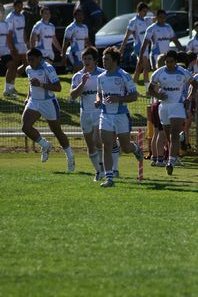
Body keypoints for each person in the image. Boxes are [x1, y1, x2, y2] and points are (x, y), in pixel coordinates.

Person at [70, 46, 120, 180]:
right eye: (84, 58)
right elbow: (73, 95)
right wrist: (82, 84)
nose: (86, 61)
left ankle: (111, 169)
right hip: (85, 114)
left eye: (89, 59)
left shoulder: (103, 74)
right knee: (90, 144)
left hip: (100, 112)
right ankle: (99, 171)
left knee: (98, 140)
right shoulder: (78, 76)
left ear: (95, 60)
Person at [96, 46, 143, 187]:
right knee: (107, 145)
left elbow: (134, 96)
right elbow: (99, 93)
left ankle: (134, 148)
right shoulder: (100, 77)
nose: (104, 62)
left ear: (115, 61)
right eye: (103, 59)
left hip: (121, 116)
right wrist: (98, 100)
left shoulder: (124, 75)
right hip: (105, 116)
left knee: (125, 147)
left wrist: (119, 99)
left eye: (107, 59)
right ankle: (109, 178)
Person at [22, 48, 75, 172]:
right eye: (28, 60)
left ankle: (70, 157)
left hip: (48, 103)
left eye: (32, 59)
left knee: (57, 131)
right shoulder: (28, 69)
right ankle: (45, 145)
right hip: (34, 102)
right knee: (25, 127)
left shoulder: (48, 68)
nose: (30, 62)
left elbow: (58, 87)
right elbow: (31, 85)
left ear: (39, 58)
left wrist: (40, 84)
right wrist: (28, 97)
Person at [148, 50, 197, 175]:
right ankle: (176, 148)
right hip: (163, 107)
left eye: (171, 62)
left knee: (173, 134)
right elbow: (150, 90)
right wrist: (158, 95)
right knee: (169, 135)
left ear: (175, 62)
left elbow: (194, 84)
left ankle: (170, 161)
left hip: (177, 106)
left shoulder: (183, 72)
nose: (169, 64)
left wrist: (189, 98)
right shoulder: (159, 73)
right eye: (167, 62)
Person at [120, 2, 153, 92]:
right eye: (143, 11)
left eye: (146, 11)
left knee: (139, 68)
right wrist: (122, 48)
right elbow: (127, 36)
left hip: (146, 48)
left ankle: (131, 88)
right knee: (147, 67)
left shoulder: (146, 20)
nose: (145, 13)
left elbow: (156, 18)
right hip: (139, 48)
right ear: (138, 11)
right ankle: (148, 90)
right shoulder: (133, 21)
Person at [62, 6, 89, 73]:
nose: (80, 16)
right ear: (75, 16)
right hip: (74, 53)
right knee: (78, 71)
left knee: (84, 71)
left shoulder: (85, 27)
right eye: (78, 15)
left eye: (82, 15)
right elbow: (65, 43)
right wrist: (63, 56)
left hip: (83, 53)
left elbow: (87, 41)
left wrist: (91, 51)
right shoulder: (70, 28)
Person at [5, 0, 28, 77]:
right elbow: (9, 34)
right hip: (15, 44)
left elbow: (23, 29)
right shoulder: (10, 17)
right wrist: (13, 47)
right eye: (18, 6)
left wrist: (26, 42)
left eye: (21, 6)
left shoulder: (22, 16)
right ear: (14, 7)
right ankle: (9, 85)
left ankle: (15, 76)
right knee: (14, 64)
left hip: (22, 44)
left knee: (26, 63)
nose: (20, 8)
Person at [0, 4, 17, 97]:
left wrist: (11, 49)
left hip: (5, 50)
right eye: (0, 10)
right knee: (11, 66)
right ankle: (8, 90)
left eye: (2, 10)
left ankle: (8, 89)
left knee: (12, 66)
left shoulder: (6, 24)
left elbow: (8, 39)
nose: (1, 12)